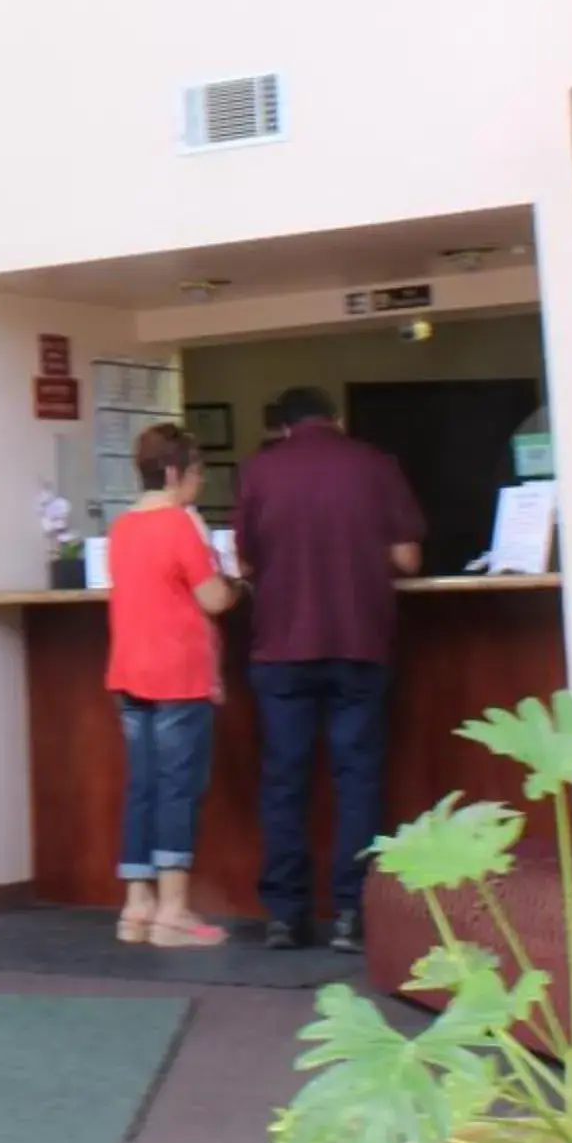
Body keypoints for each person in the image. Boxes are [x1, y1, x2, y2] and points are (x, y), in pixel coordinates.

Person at [236, 385, 424, 953]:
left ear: (283, 424)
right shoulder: (376, 464)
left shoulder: (259, 472)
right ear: (336, 419)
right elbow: (408, 557)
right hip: (360, 641)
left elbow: (243, 561)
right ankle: (353, 914)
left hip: (282, 648)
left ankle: (286, 918)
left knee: (284, 783)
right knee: (358, 779)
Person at [106, 422, 238, 948]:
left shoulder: (122, 529)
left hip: (128, 672)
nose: (200, 484)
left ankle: (136, 908)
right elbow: (213, 600)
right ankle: (174, 913)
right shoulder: (180, 525)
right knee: (178, 790)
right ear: (174, 472)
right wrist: (231, 581)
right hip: (178, 676)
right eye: (198, 473)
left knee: (142, 787)